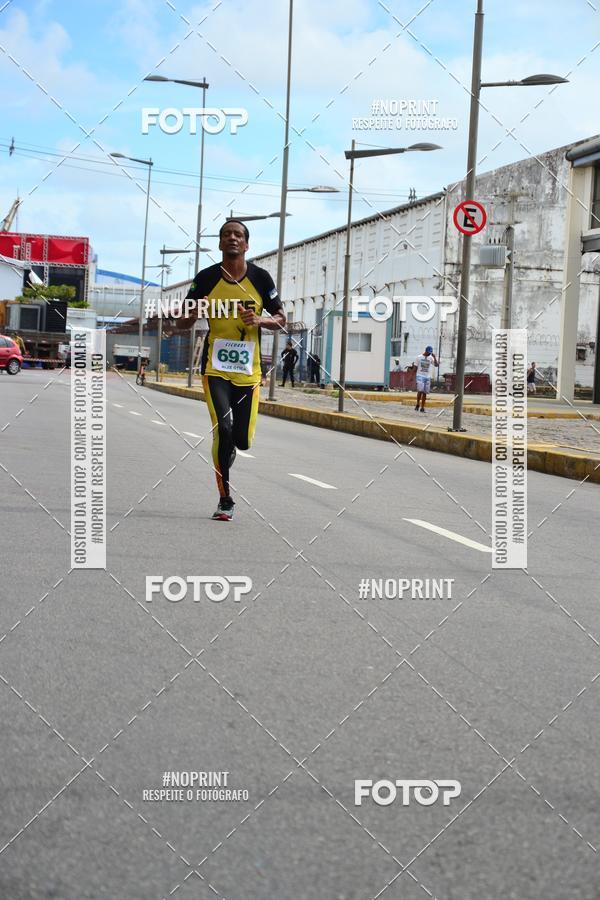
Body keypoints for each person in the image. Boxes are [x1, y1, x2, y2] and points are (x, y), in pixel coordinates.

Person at [169, 219, 286, 521]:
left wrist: (260, 320)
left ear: (246, 244)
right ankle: (225, 499)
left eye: (238, 235)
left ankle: (231, 447)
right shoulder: (206, 278)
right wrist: (194, 313)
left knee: (241, 440)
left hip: (249, 373)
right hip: (215, 370)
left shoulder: (260, 278)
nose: (232, 238)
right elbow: (181, 322)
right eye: (226, 235)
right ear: (220, 243)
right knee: (223, 429)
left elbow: (281, 318)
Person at [415, 345, 438, 412]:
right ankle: (417, 403)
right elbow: (415, 367)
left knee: (425, 392)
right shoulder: (419, 357)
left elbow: (436, 365)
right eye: (428, 352)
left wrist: (434, 357)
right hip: (420, 376)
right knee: (420, 391)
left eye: (430, 353)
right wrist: (411, 376)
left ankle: (422, 407)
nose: (429, 354)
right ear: (425, 351)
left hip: (427, 377)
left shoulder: (431, 358)